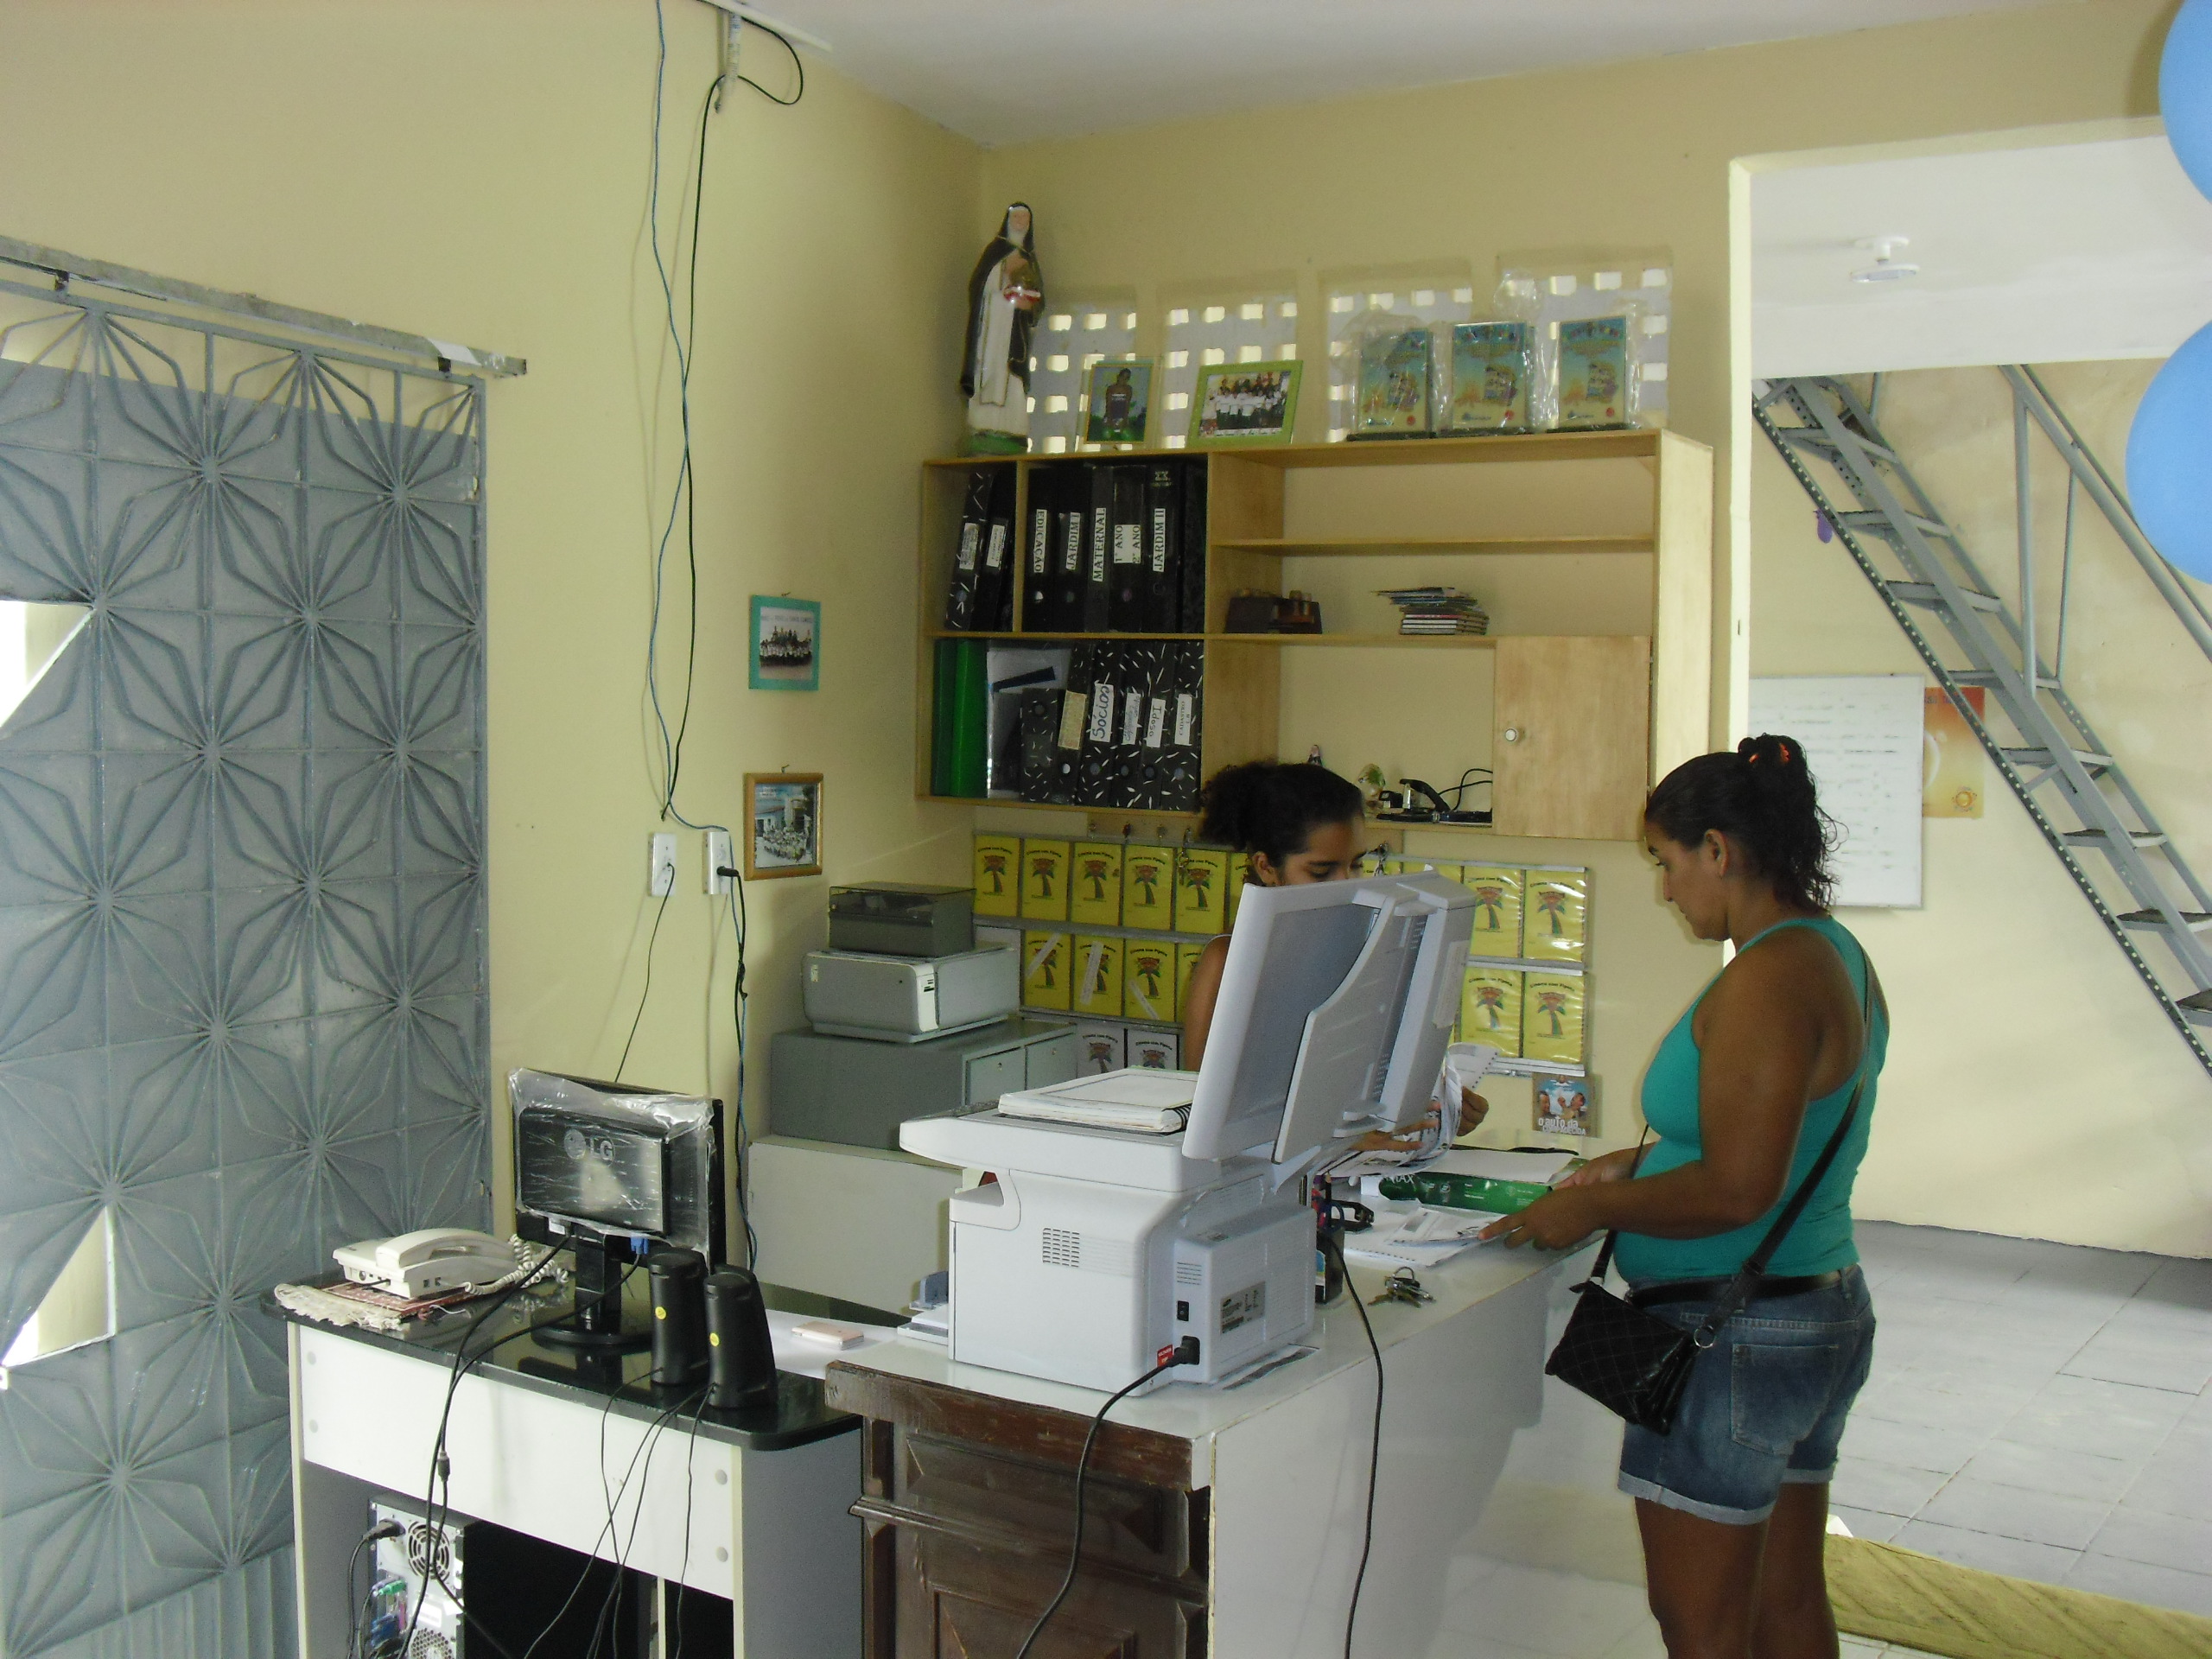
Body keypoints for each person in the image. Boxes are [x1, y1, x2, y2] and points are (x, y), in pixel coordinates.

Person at [1483, 734, 1887, 1659]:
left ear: (1717, 849)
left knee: (1699, 1625)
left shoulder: (1769, 977)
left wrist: (1588, 1209)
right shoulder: (1831, 951)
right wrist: (1640, 1164)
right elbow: (1781, 1130)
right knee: (1786, 1603)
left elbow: (1740, 1188)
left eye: (1666, 863)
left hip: (1736, 1332)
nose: (1666, 890)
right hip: (1810, 1306)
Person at [1181, 760, 1485, 1139]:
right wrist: (1340, 1141)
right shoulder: (1226, 962)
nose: (1347, 886)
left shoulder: (1377, 946)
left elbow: (1375, 1080)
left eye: (1356, 865)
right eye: (1321, 872)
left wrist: (1439, 1104)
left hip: (1362, 1170)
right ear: (1267, 868)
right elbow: (1201, 1122)